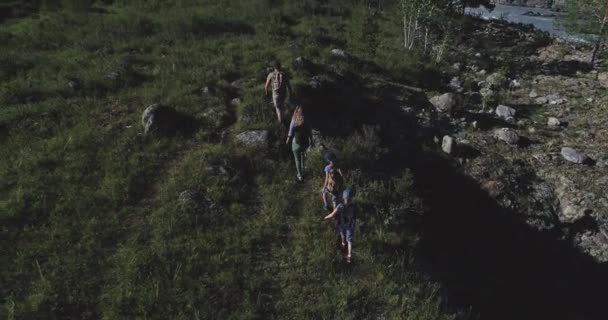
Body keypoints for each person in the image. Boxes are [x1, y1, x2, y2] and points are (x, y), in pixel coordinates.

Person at [324, 189, 357, 263]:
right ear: (351, 198)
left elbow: (332, 215)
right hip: (350, 225)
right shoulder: (353, 206)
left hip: (342, 224)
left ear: (343, 198)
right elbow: (355, 216)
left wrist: (325, 218)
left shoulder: (340, 206)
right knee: (349, 240)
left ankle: (343, 244)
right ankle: (349, 255)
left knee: (342, 235)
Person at [286, 106, 313, 181]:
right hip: (305, 143)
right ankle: (303, 171)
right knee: (302, 157)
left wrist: (288, 138)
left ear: (296, 111)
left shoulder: (294, 119)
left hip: (296, 143)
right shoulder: (306, 120)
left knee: (297, 160)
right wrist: (311, 141)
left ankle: (300, 175)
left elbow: (291, 129)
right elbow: (310, 131)